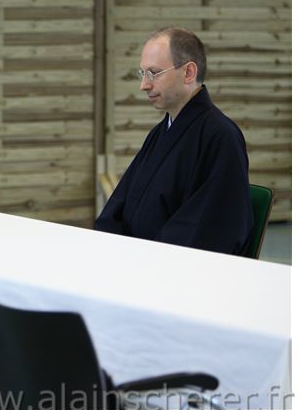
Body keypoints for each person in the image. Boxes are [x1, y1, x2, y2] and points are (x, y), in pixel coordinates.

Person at [95, 27, 252, 255]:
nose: (144, 85)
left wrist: (142, 259)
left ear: (188, 72)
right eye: (142, 74)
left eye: (153, 73)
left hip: (173, 268)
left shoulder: (221, 137)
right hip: (136, 260)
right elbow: (119, 206)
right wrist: (108, 247)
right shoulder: (159, 133)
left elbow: (208, 230)